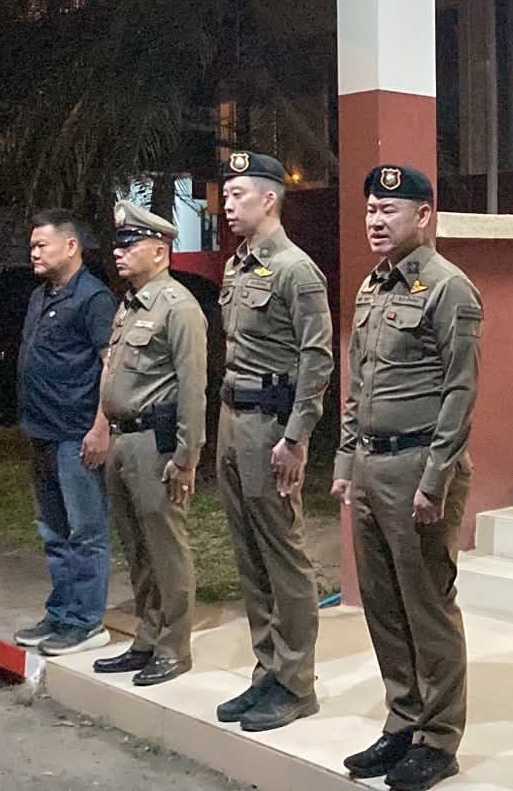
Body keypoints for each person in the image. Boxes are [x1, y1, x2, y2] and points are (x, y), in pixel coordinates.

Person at [333, 164, 482, 791]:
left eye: (389, 209)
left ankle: (438, 739)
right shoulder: (373, 286)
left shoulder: (449, 288)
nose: (375, 220)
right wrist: (345, 463)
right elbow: (357, 383)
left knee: (427, 607)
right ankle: (403, 720)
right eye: (371, 209)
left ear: (424, 215)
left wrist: (436, 478)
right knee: (384, 605)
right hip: (371, 465)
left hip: (418, 467)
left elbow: (460, 392)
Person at [211, 151, 334, 732]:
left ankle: (296, 682)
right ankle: (267, 670)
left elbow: (317, 359)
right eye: (226, 195)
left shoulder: (295, 270)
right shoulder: (237, 267)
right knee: (250, 555)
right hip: (233, 420)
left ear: (269, 199)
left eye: (238, 195)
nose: (228, 205)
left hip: (271, 427)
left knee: (283, 557)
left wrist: (297, 437)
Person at [88, 199, 208, 687]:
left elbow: (194, 388)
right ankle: (148, 635)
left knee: (165, 547)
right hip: (123, 439)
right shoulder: (131, 304)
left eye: (130, 244)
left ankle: (174, 646)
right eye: (118, 245)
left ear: (159, 251)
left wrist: (187, 455)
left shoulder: (178, 307)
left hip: (155, 443)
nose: (119, 253)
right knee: (137, 548)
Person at [13, 209, 119, 657]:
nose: (34, 253)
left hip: (76, 434)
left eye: (42, 245)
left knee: (85, 530)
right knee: (53, 530)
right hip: (41, 432)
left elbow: (110, 366)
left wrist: (100, 428)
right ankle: (60, 612)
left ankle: (86, 622)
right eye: (32, 246)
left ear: (71, 246)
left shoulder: (93, 299)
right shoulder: (40, 296)